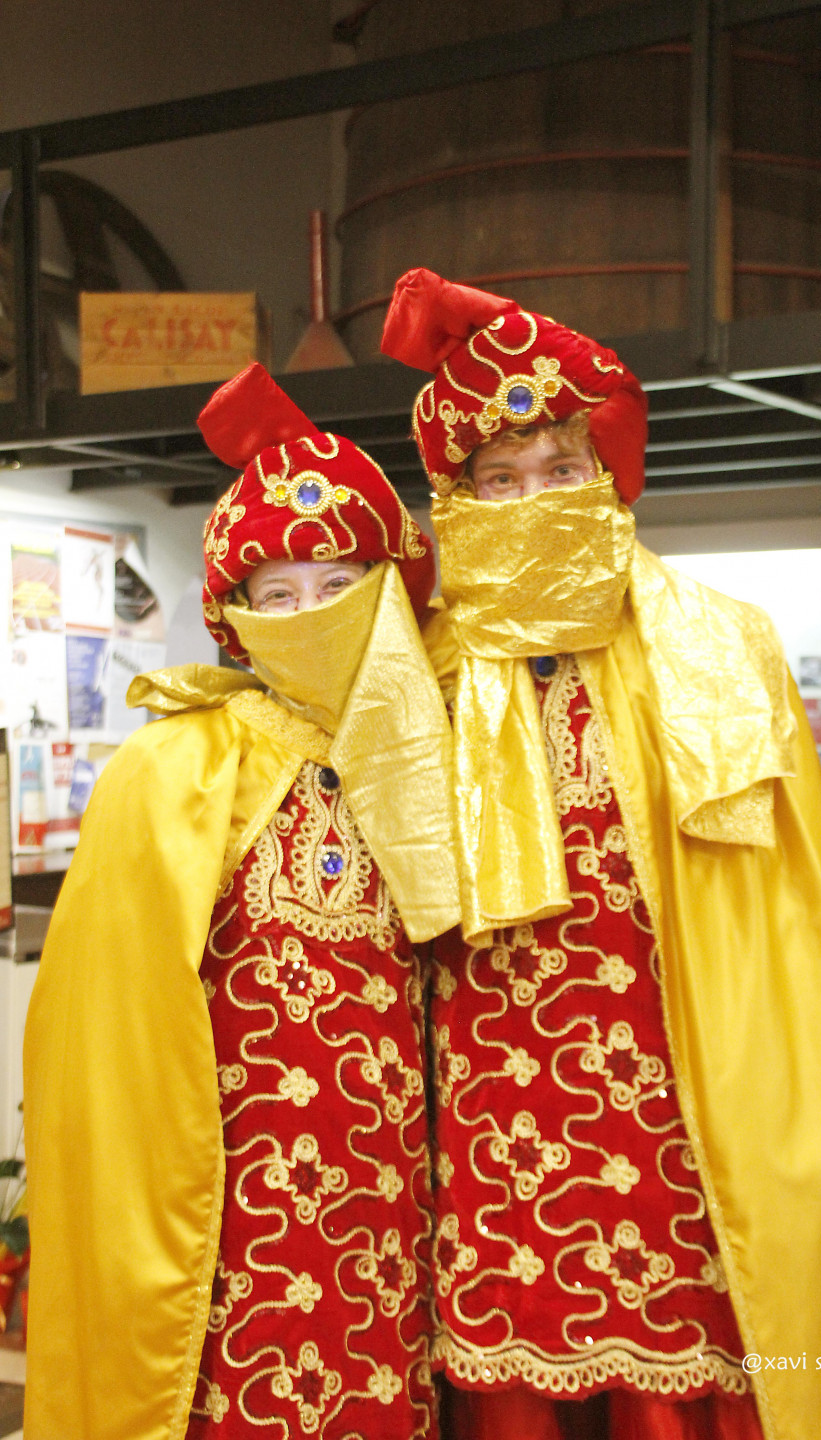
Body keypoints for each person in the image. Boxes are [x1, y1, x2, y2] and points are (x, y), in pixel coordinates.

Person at [381, 269, 821, 1440]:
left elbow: (784, 912)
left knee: (690, 1352)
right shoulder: (419, 672)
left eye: (558, 469)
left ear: (607, 473)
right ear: (458, 498)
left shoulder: (717, 648)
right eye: (500, 480)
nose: (533, 497)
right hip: (490, 1091)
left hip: (679, 1079)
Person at [22, 362, 460, 1440]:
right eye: (279, 594)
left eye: (338, 584)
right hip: (228, 1215)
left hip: (388, 1204)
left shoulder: (434, 761)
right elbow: (106, 1035)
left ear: (388, 594)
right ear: (236, 616)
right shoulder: (172, 768)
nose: (311, 614)